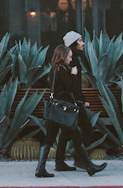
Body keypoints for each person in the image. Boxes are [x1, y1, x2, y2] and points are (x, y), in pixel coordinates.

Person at [35, 45, 106, 178]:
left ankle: (41, 168)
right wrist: (73, 75)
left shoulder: (53, 69)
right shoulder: (61, 70)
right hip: (63, 112)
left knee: (49, 138)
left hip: (54, 111)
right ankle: (90, 167)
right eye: (69, 56)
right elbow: (70, 88)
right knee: (77, 137)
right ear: (62, 56)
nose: (70, 59)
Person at [54, 30, 92, 172]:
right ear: (73, 43)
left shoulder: (74, 59)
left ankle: (61, 162)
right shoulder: (72, 61)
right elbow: (72, 84)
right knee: (86, 128)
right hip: (72, 102)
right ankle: (79, 159)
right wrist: (81, 100)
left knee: (66, 132)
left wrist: (82, 99)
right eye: (80, 40)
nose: (83, 43)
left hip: (72, 101)